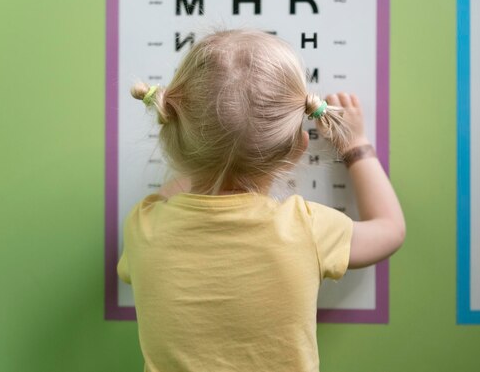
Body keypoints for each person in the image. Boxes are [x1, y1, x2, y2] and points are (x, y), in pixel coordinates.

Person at [117, 29, 405, 372]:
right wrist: (356, 145)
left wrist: (202, 159)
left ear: (172, 126)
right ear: (297, 149)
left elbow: (133, 264)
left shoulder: (145, 225)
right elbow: (390, 230)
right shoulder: (304, 227)